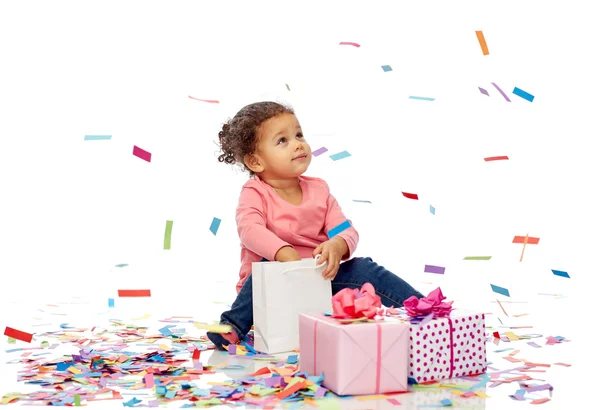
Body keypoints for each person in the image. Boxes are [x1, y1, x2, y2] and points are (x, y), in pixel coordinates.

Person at [207, 101, 424, 350]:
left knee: (364, 267)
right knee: (266, 266)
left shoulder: (318, 189)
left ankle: (424, 308)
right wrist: (283, 253)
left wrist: (338, 244)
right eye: (282, 141)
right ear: (256, 162)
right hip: (275, 287)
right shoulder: (255, 192)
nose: (298, 143)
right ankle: (232, 326)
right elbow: (249, 230)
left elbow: (345, 230)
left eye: (298, 135)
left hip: (318, 280)